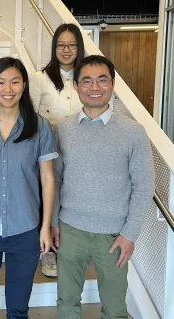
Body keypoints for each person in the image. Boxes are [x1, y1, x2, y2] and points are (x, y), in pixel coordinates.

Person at [54, 55, 155, 319]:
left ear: (112, 84)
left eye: (102, 80)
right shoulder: (63, 129)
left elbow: (144, 185)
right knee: (66, 301)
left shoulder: (133, 131)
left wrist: (130, 234)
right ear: (75, 86)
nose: (95, 88)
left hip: (113, 235)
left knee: (115, 308)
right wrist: (54, 223)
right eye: (86, 81)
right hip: (70, 230)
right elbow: (54, 180)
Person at [0, 57, 57, 319]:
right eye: (1, 82)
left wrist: (45, 226)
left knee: (18, 310)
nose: (8, 89)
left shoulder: (40, 127)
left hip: (25, 229)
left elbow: (48, 178)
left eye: (15, 81)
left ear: (24, 85)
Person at [29, 23, 85, 278]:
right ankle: (47, 249)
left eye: (71, 45)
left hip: (81, 148)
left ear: (78, 47)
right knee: (48, 196)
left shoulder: (85, 77)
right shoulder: (40, 78)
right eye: (61, 44)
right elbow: (31, 114)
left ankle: (71, 247)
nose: (66, 49)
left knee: (74, 196)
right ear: (54, 48)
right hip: (49, 147)